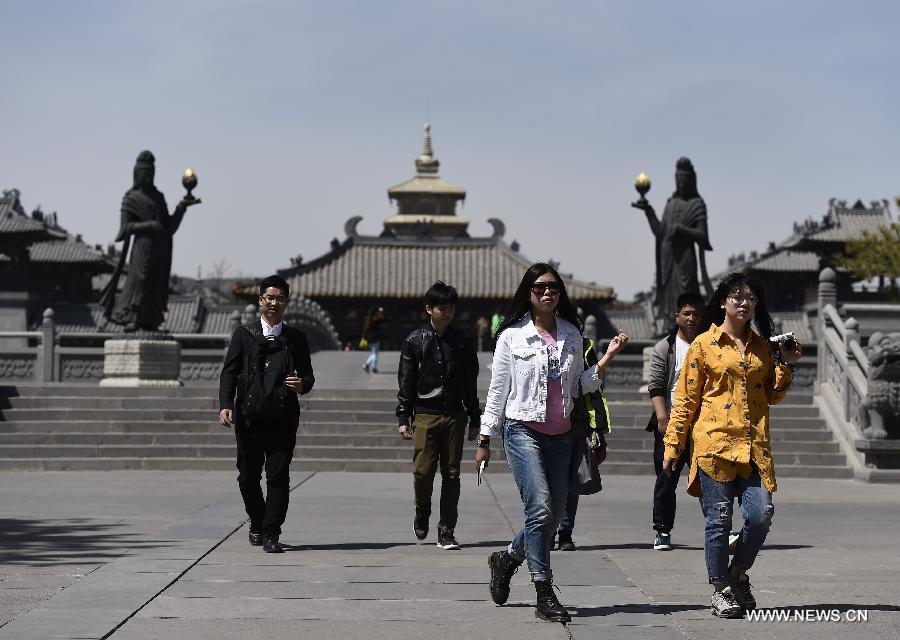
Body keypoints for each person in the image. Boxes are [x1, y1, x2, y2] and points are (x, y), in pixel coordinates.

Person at [476, 263, 628, 623]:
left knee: (555, 514)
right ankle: (544, 590)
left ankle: (508, 558)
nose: (548, 293)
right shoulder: (511, 336)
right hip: (522, 429)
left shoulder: (572, 334)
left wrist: (606, 358)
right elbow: (498, 392)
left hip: (561, 435)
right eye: (540, 287)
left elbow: (578, 386)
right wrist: (485, 437)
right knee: (541, 507)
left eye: (554, 288)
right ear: (528, 293)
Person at [662, 271, 802, 618]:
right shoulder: (702, 346)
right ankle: (720, 589)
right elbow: (684, 402)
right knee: (719, 521)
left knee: (759, 514)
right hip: (714, 445)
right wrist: (672, 447)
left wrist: (785, 364)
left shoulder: (761, 347)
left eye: (750, 298)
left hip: (753, 445)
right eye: (737, 296)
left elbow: (772, 395)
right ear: (723, 301)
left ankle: (737, 573)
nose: (743, 303)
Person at [218, 275, 315, 553]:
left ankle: (271, 531)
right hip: (248, 416)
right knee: (247, 476)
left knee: (278, 475)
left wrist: (302, 385)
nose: (274, 303)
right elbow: (230, 371)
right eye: (269, 297)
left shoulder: (296, 338)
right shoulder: (244, 334)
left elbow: (308, 375)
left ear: (286, 301)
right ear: (261, 300)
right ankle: (258, 521)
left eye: (280, 298)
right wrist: (225, 404)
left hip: (283, 416)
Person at [397, 281, 481, 550]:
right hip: (425, 414)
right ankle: (422, 511)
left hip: (456, 414)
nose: (447, 313)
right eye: (441, 308)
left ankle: (447, 529)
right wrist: (403, 418)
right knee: (422, 472)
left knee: (452, 473)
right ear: (429, 309)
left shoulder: (462, 342)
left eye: (451, 308)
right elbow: (406, 382)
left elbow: (471, 381)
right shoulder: (414, 340)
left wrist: (475, 418)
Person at [101, 150, 201, 331]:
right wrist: (149, 226)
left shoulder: (159, 197)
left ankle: (151, 320)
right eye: (144, 173)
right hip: (142, 247)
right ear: (137, 174)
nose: (148, 177)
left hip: (160, 248)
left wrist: (181, 208)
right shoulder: (130, 198)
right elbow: (125, 229)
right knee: (140, 279)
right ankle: (132, 316)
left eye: (151, 173)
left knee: (156, 282)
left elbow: (169, 227)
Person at [646, 291, 705, 550]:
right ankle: (662, 530)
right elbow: (656, 386)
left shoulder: (707, 345)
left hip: (703, 423)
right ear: (677, 316)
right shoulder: (665, 347)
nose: (691, 318)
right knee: (666, 478)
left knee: (708, 478)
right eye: (687, 313)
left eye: (695, 314)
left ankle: (718, 527)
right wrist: (662, 417)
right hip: (671, 421)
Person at [631, 157, 713, 331]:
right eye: (678, 180)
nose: (681, 184)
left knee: (687, 297)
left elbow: (703, 237)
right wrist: (649, 212)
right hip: (668, 262)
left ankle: (689, 330)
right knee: (670, 304)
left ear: (691, 181)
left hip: (685, 261)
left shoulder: (697, 204)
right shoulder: (670, 203)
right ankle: (671, 329)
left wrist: (682, 229)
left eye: (684, 180)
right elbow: (661, 233)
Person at [362, 306, 385, 373]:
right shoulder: (376, 319)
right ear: (376, 312)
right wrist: (381, 313)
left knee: (373, 353)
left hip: (369, 338)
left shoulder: (368, 319)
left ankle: (367, 365)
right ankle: (373, 367)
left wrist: (365, 338)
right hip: (375, 338)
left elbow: (365, 330)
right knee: (375, 353)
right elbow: (383, 319)